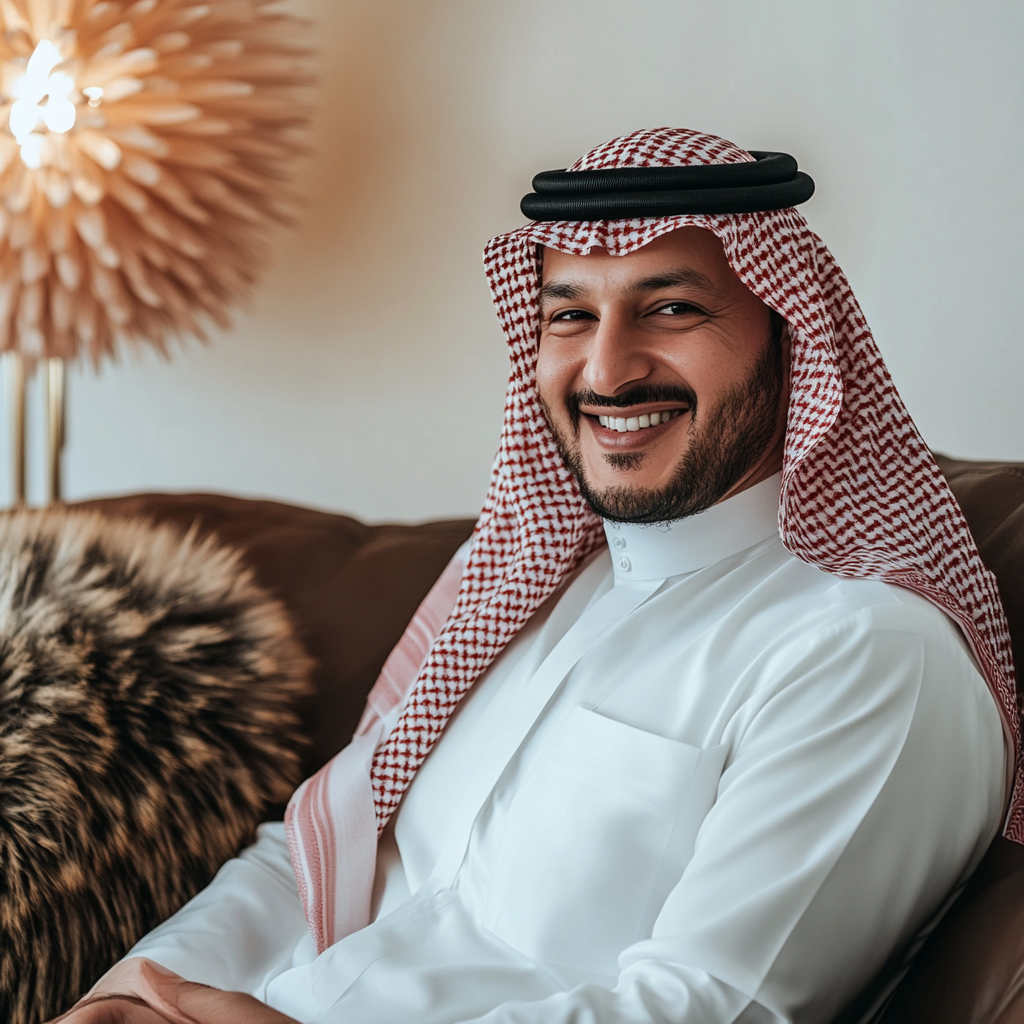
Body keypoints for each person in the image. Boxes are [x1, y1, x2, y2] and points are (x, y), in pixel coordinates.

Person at [55, 127, 1019, 1024]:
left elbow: (714, 1005)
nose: (606, 370)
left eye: (672, 308)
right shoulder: (532, 581)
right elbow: (314, 857)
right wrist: (141, 996)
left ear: (791, 337)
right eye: (570, 314)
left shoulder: (866, 652)